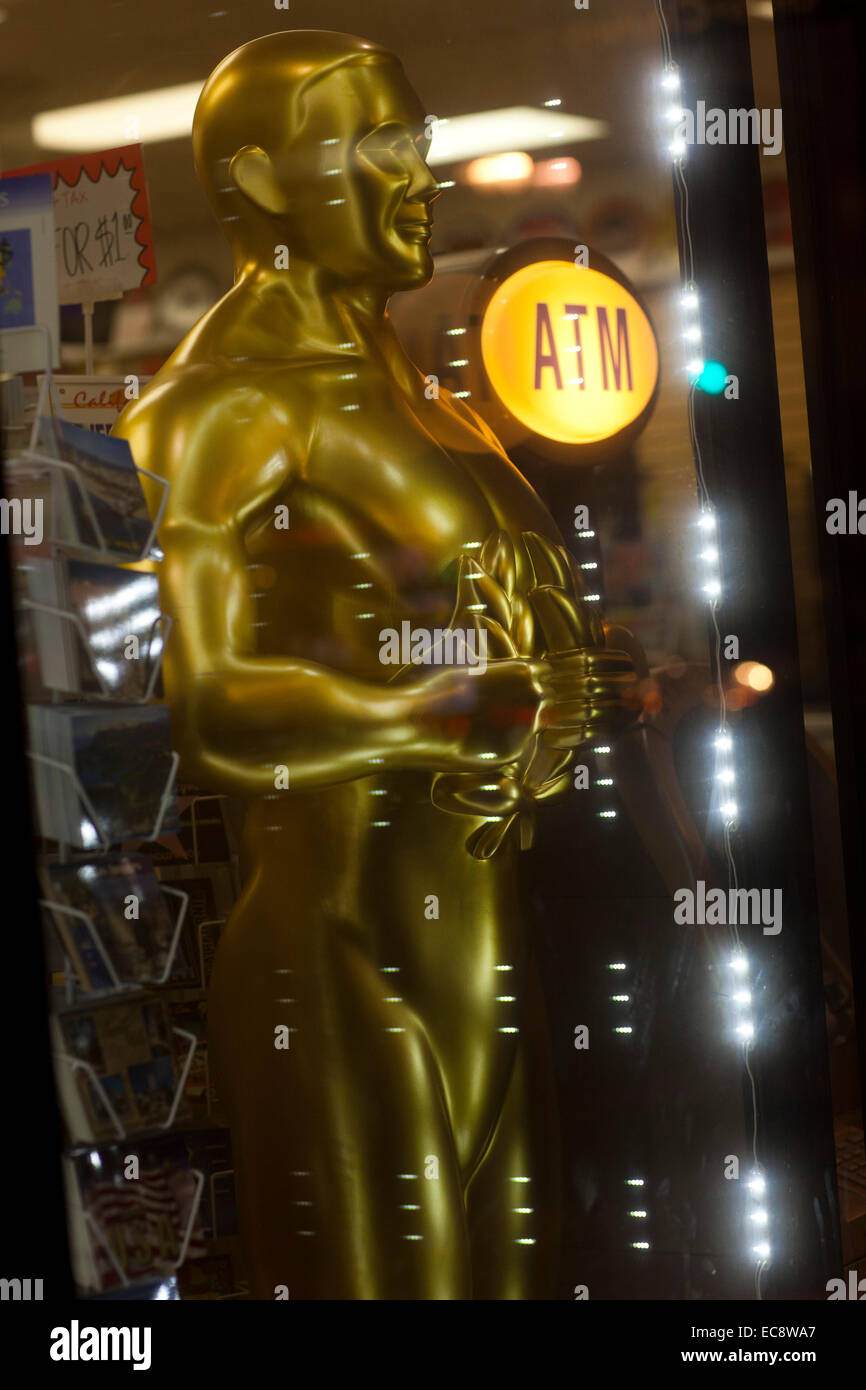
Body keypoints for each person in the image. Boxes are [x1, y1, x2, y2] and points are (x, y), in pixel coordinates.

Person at [115, 29, 634, 1299]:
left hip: (490, 951)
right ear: (255, 182)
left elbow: (497, 642)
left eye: (420, 146)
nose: (418, 178)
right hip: (336, 959)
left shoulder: (436, 401)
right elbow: (199, 703)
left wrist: (571, 684)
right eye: (377, 149)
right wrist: (431, 710)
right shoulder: (216, 405)